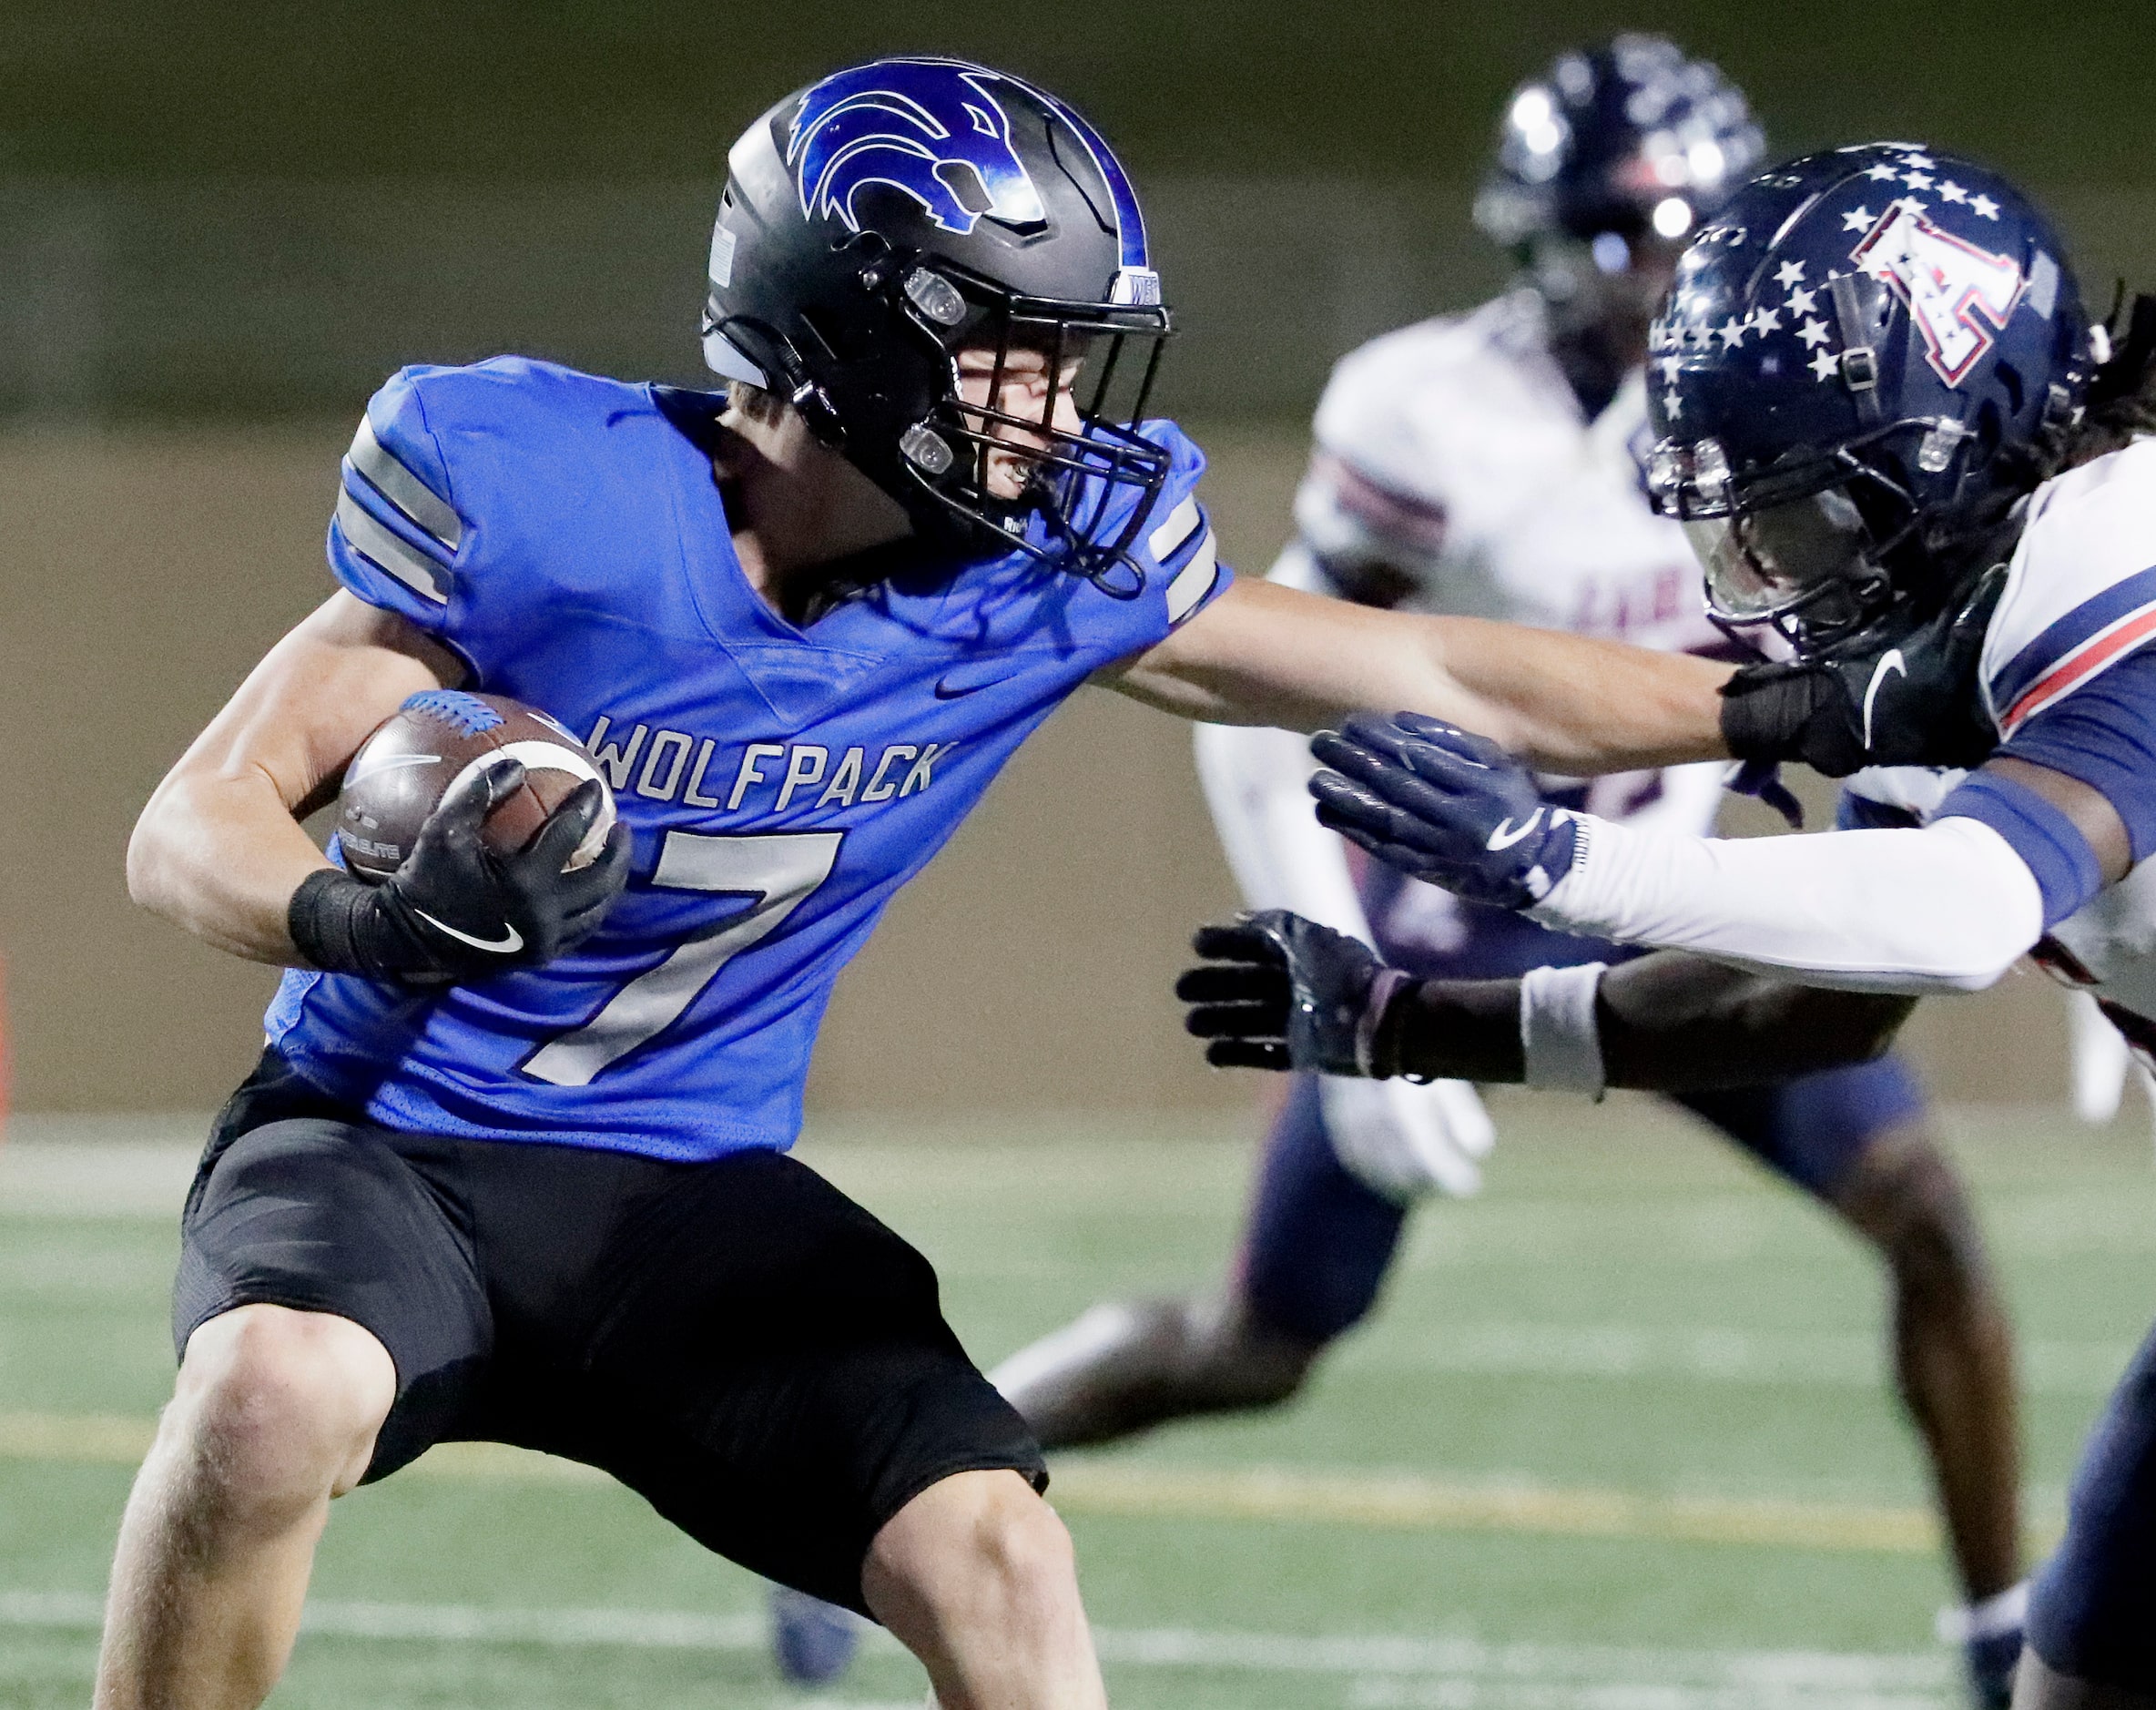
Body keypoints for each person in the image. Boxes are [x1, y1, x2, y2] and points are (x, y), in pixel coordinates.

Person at [102, 56, 1743, 1710]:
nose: (1053, 399)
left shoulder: (1038, 569)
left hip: (685, 1189)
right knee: (268, 1394)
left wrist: (1790, 702)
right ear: (848, 330)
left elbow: (1452, 672)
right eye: (1010, 345)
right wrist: (356, 918)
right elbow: (194, 818)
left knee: (1000, 1554)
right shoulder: (555, 502)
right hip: (387, 1141)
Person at [991, 47, 2025, 1706]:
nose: (1654, 270)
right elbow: (1265, 690)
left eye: (1684, 227)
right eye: (1616, 235)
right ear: (1538, 239)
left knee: (1926, 1214)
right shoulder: (1432, 411)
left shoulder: (1777, 383)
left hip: (1649, 877)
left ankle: (2001, 1636)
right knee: (1260, 1347)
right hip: (1445, 898)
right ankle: (934, 1449)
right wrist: (1336, 955)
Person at [1180, 147, 2156, 1710]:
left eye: (1807, 517)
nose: (1764, 577)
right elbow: (1815, 1008)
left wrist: (1557, 861)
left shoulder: (2127, 543)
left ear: (1954, 441)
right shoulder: (1961, 611)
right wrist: (1405, 1024)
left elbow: (1961, 909)